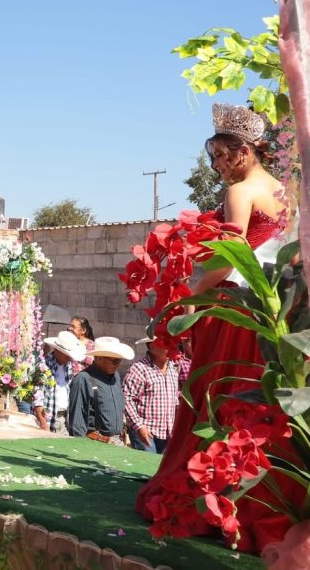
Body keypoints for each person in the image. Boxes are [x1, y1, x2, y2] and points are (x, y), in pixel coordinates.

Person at [137, 103, 298, 551]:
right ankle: (268, 501)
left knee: (219, 394)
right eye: (216, 158)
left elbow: (228, 257)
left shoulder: (241, 191)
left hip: (235, 307)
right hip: (276, 309)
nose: (219, 166)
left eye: (224, 156)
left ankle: (214, 497)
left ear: (244, 151)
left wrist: (188, 297)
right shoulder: (285, 190)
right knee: (264, 401)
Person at [67, 337, 133, 445]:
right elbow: (77, 425)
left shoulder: (115, 377)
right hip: (96, 443)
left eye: (119, 360)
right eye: (114, 361)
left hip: (118, 441)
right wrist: (80, 447)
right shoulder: (83, 379)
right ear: (99, 358)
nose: (118, 365)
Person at [123, 337, 179, 454]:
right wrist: (139, 426)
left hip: (168, 433)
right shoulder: (139, 368)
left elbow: (174, 399)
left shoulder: (173, 368)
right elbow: (127, 399)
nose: (171, 346)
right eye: (166, 343)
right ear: (153, 346)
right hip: (145, 431)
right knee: (146, 463)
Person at [34, 331, 87, 434]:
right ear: (57, 350)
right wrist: (42, 421)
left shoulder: (69, 365)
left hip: (64, 417)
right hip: (49, 418)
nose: (69, 358)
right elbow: (37, 397)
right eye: (67, 355)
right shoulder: (43, 365)